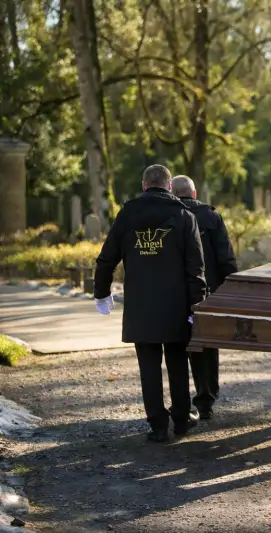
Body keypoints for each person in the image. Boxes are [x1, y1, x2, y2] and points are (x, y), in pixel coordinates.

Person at [93, 165, 206, 443]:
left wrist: (101, 293)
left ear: (144, 185)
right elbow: (196, 267)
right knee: (178, 362)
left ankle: (157, 424)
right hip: (176, 304)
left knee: (149, 366)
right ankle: (181, 419)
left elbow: (107, 258)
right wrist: (198, 304)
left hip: (141, 303)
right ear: (169, 186)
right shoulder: (183, 215)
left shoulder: (128, 214)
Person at [172, 175, 238, 420]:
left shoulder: (170, 216)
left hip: (176, 292)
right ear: (194, 193)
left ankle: (180, 403)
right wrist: (232, 291)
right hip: (208, 291)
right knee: (207, 346)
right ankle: (206, 399)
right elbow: (225, 257)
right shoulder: (211, 217)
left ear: (172, 192)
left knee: (177, 346)